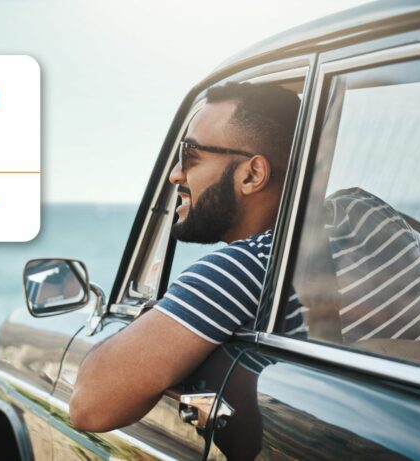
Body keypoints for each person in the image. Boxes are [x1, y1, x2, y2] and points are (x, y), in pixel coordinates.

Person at [69, 82, 305, 432]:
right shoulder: (363, 214)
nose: (175, 174)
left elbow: (88, 406)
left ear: (252, 175)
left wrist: (159, 322)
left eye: (190, 157)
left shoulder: (246, 268)